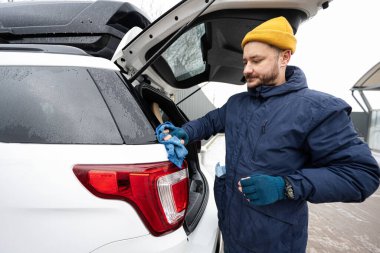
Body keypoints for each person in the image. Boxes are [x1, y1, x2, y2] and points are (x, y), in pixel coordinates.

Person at [161, 16, 380, 252]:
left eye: (256, 60)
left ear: (284, 57)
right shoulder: (237, 103)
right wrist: (185, 132)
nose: (246, 69)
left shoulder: (317, 109)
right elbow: (209, 122)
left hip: (275, 240)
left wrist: (285, 186)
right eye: (245, 61)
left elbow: (361, 175)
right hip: (232, 230)